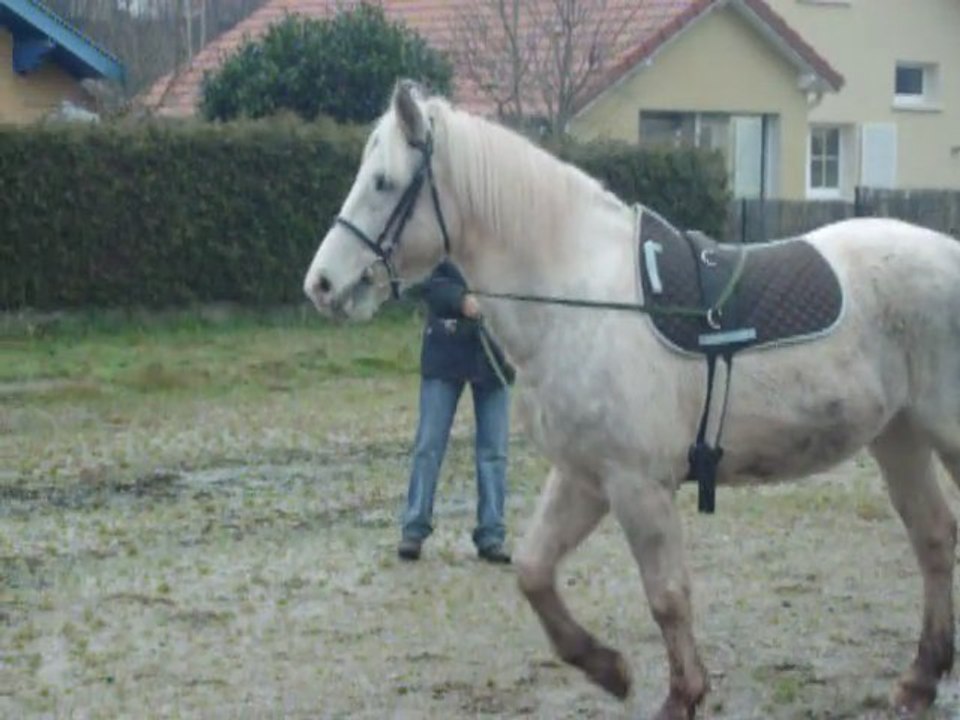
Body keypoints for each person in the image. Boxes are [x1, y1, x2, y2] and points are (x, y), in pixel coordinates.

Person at [397, 259, 514, 564]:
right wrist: (460, 300)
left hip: (495, 356)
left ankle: (492, 533)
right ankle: (414, 528)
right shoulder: (442, 242)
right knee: (429, 445)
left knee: (494, 452)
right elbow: (429, 280)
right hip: (445, 352)